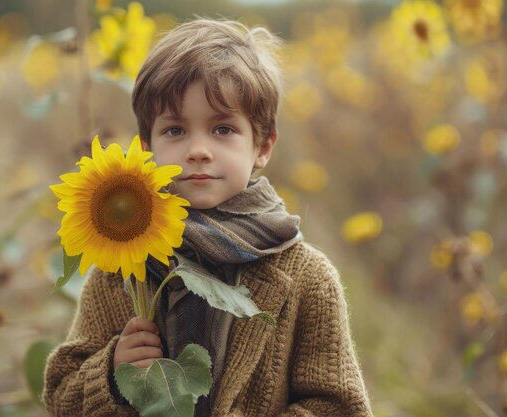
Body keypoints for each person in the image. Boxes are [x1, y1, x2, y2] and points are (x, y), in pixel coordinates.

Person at [43, 18, 373, 417]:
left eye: (222, 128)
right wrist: (112, 375)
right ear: (147, 146)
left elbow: (338, 406)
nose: (198, 150)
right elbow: (61, 394)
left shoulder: (307, 278)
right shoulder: (121, 270)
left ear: (263, 146)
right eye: (176, 131)